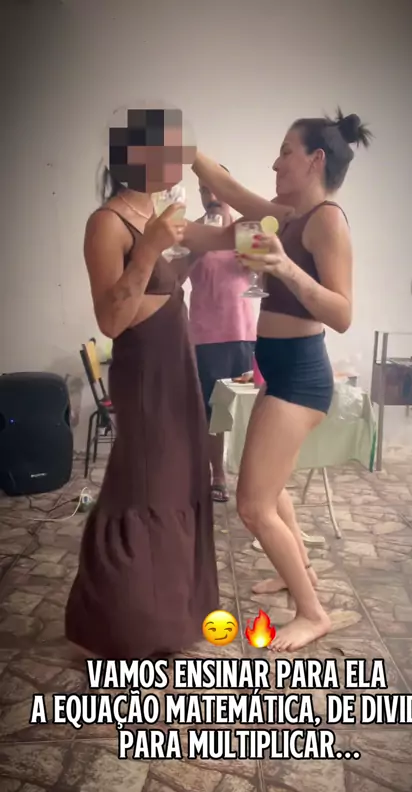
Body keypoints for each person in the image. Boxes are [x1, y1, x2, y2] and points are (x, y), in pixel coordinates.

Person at [189, 109, 372, 652]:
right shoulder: (287, 215)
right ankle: (301, 574)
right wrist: (178, 145)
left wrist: (285, 267)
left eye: (286, 152)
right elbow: (228, 189)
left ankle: (313, 613)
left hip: (302, 376)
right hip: (276, 367)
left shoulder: (326, 220)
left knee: (253, 505)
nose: (275, 163)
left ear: (315, 159)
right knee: (270, 490)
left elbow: (342, 314)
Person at [65, 107, 232, 658]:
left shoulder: (162, 211)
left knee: (177, 482)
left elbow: (229, 237)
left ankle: (169, 613)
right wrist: (151, 247)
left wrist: (243, 208)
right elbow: (112, 319)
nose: (181, 158)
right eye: (173, 149)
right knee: (146, 486)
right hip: (144, 374)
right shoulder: (107, 223)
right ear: (140, 155)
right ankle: (127, 623)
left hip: (176, 364)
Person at [189, 166, 256, 502]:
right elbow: (175, 276)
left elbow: (263, 278)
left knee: (248, 411)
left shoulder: (247, 228)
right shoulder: (191, 231)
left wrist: (255, 260)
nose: (211, 196)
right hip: (206, 337)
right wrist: (199, 245)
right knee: (214, 411)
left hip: (245, 333)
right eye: (204, 190)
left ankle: (252, 476)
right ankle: (218, 474)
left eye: (215, 188)